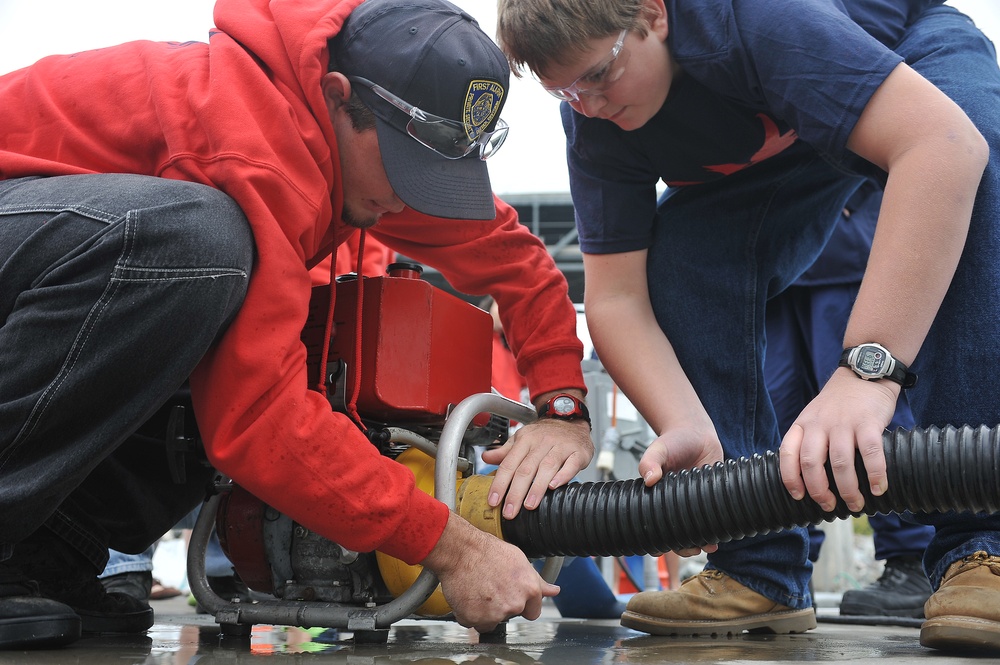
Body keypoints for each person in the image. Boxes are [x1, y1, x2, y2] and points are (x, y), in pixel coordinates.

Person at [0, 0, 597, 650]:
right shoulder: (254, 147)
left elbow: (517, 264)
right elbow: (256, 418)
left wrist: (563, 408)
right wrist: (451, 546)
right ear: (339, 99)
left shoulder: (359, 156)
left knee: (264, 332)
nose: (409, 196)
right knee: (199, 247)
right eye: (406, 169)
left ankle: (46, 550)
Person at [496, 0, 1000, 653]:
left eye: (598, 74)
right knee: (681, 253)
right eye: (564, 90)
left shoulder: (746, 19)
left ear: (654, 13)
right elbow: (617, 298)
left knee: (976, 164)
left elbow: (942, 142)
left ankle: (985, 550)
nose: (587, 103)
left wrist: (867, 372)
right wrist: (686, 423)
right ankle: (757, 565)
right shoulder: (597, 121)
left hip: (907, 57)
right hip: (792, 142)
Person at [764, 183, 933, 619]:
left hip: (847, 244)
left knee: (869, 415)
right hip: (771, 265)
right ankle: (772, 570)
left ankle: (914, 562)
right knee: (773, 425)